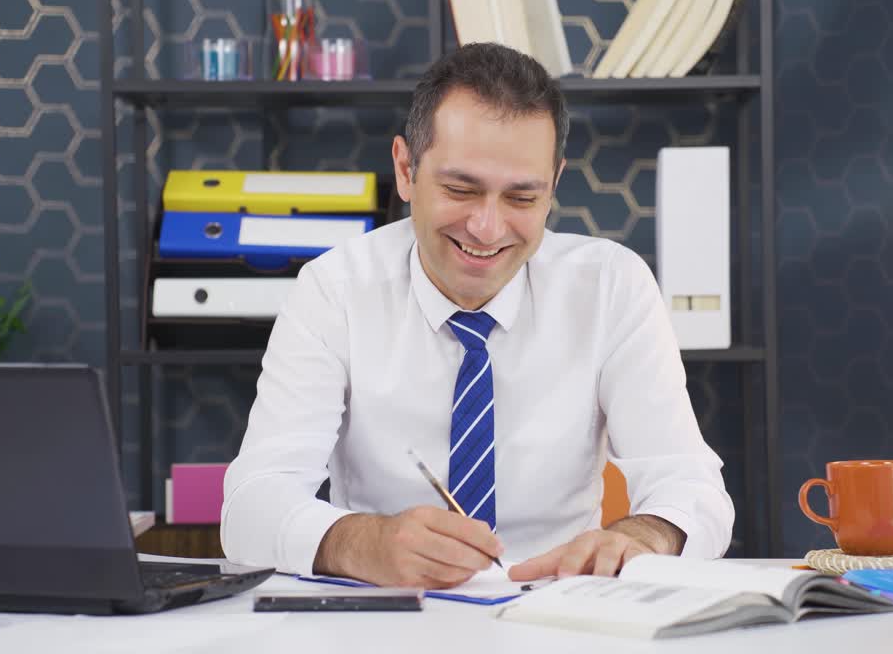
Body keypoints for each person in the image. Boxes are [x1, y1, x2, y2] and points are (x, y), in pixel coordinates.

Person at [221, 43, 734, 589]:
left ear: (553, 185)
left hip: (564, 614)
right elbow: (251, 506)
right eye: (460, 189)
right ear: (405, 169)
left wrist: (641, 539)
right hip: (386, 615)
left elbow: (693, 488)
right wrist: (365, 543)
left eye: (521, 198)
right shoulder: (334, 290)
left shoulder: (611, 287)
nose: (487, 228)